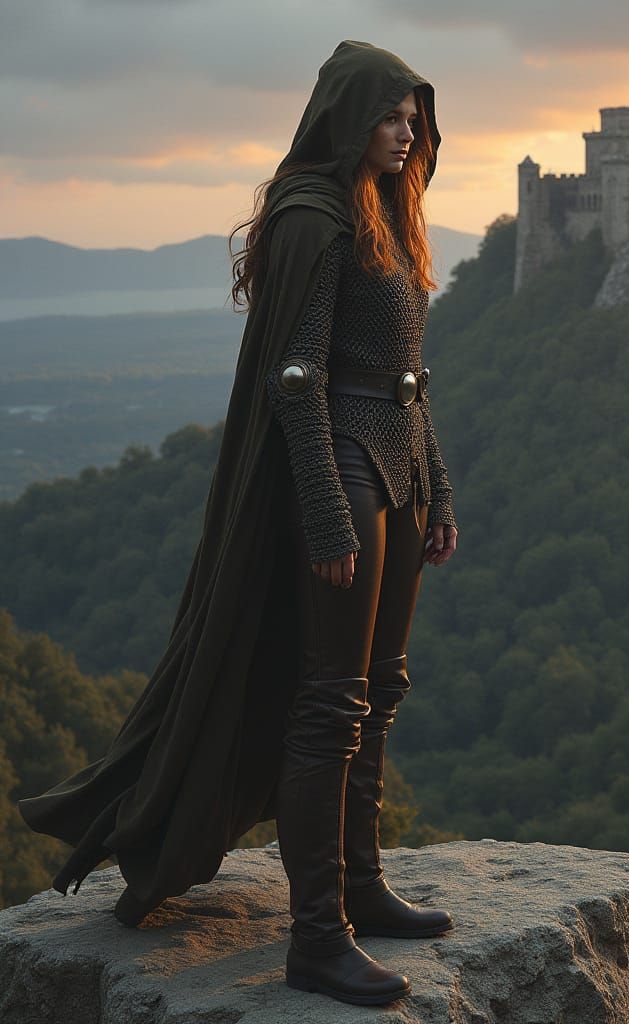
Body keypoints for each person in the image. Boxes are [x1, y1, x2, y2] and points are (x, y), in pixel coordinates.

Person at [17, 40, 457, 1009]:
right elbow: (296, 380)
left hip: (398, 460)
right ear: (348, 114)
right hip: (338, 460)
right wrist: (325, 509)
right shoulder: (315, 219)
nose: (409, 132)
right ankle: (317, 936)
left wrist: (438, 485)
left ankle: (360, 880)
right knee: (331, 700)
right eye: (393, 115)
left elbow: (408, 375)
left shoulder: (390, 211)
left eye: (417, 119)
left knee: (380, 687)